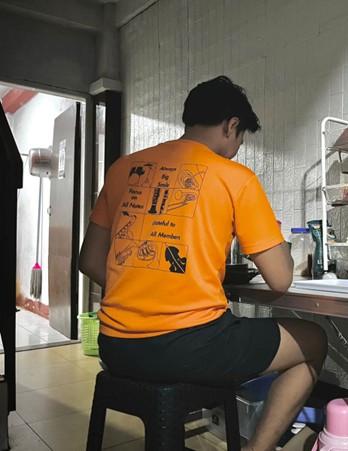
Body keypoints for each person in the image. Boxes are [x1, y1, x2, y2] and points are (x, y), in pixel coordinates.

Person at [79, 75, 328, 451]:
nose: (238, 148)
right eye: (241, 138)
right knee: (314, 339)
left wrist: (144, 290)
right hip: (189, 348)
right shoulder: (235, 178)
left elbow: (89, 260)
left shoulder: (123, 168)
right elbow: (280, 279)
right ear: (231, 126)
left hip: (116, 345)